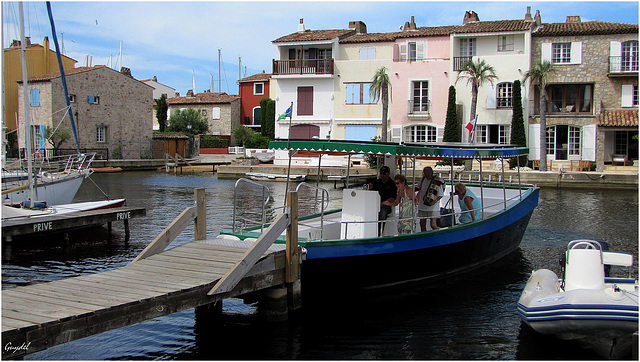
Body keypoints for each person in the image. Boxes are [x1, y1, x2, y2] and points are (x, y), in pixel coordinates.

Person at [368, 165, 397, 235]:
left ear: (388, 174)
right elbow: (371, 193)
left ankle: (380, 233)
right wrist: (370, 188)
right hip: (376, 204)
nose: (382, 175)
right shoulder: (376, 182)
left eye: (384, 173)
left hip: (386, 205)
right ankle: (370, 232)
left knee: (382, 212)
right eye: (381, 173)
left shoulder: (392, 184)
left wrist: (384, 202)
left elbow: (393, 198)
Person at [416, 166, 444, 231]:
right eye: (425, 173)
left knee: (433, 225)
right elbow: (418, 187)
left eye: (428, 172)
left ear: (432, 172)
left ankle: (437, 236)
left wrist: (435, 201)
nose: (427, 174)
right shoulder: (423, 179)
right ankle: (424, 238)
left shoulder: (436, 181)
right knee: (422, 224)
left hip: (433, 207)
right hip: (422, 205)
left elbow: (441, 194)